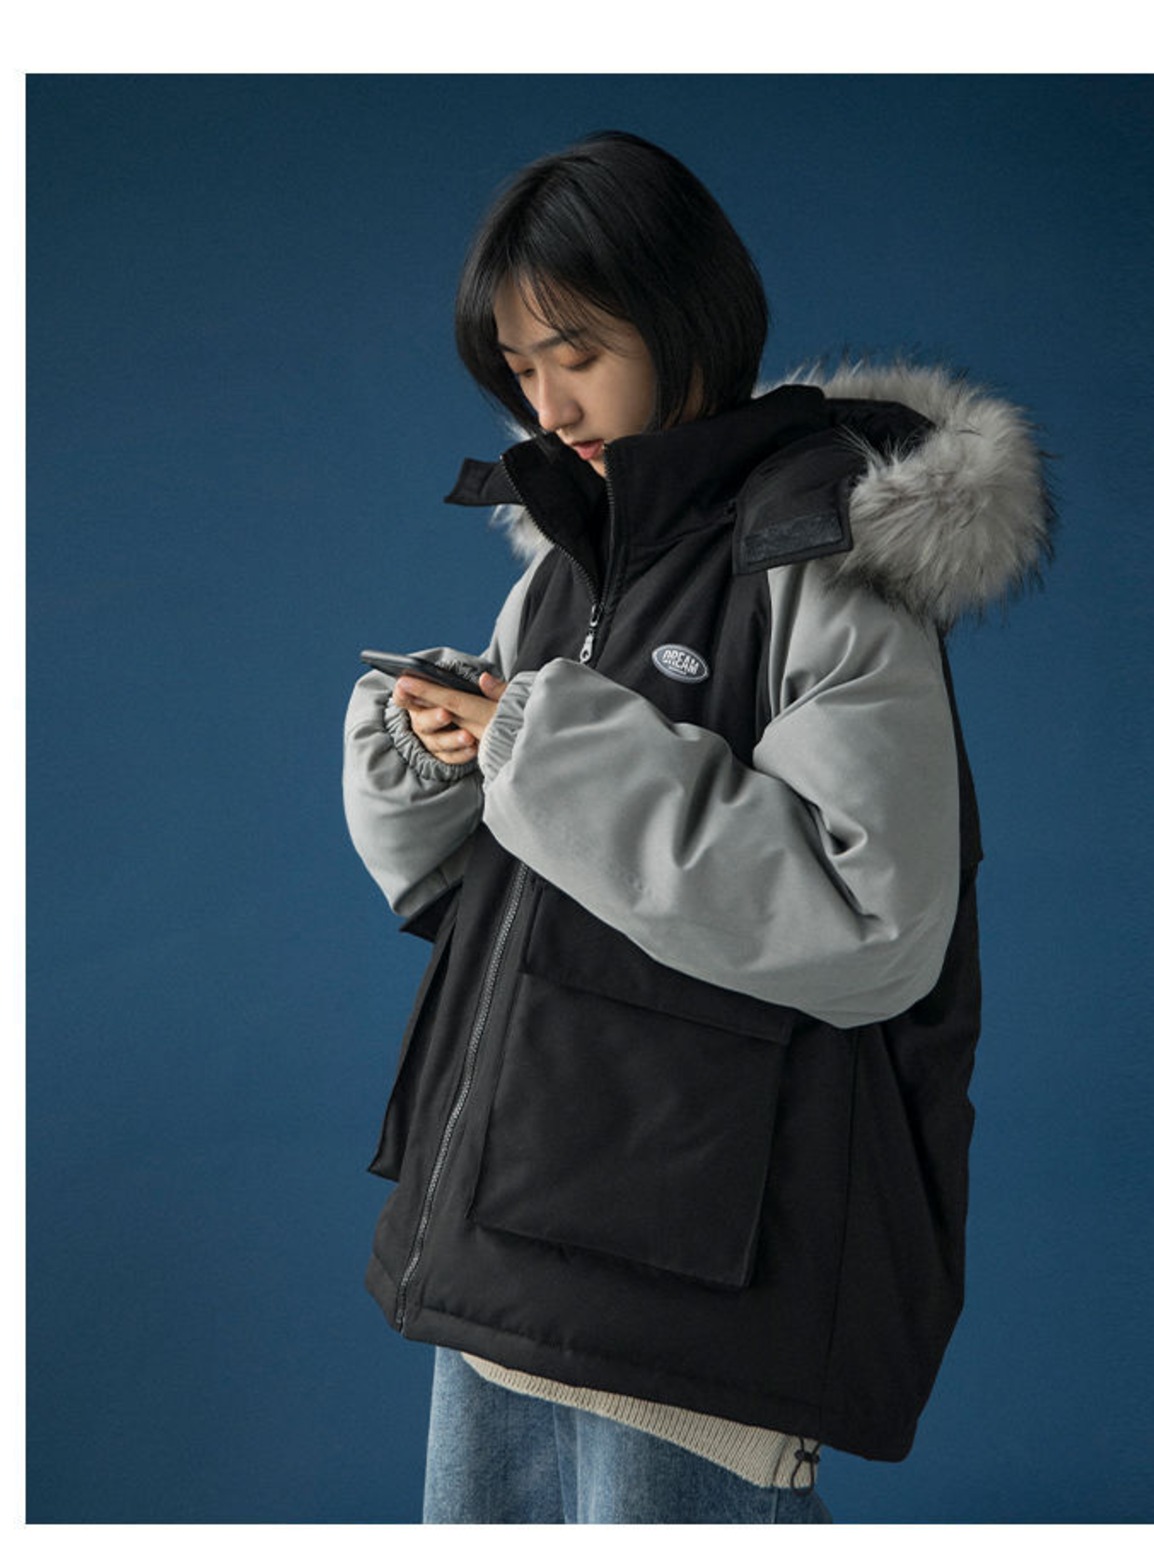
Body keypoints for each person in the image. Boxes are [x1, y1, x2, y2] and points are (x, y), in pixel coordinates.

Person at [342, 130, 1051, 1525]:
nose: (549, 405)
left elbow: (871, 928)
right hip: (509, 1240)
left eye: (578, 353)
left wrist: (543, 747)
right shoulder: (572, 562)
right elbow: (471, 894)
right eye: (520, 369)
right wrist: (446, 750)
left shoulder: (818, 557)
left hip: (693, 1281)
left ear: (684, 319)